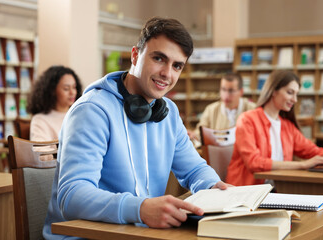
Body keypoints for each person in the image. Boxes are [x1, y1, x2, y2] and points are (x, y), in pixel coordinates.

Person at [43, 17, 229, 239]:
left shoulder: (167, 112)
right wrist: (141, 209)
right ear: (135, 55)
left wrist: (216, 187)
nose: (167, 74)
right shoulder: (92, 110)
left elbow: (194, 169)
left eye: (177, 66)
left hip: (137, 232)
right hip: (87, 235)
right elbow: (72, 197)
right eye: (159, 58)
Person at [225, 70, 323, 186]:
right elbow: (254, 163)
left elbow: (312, 150)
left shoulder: (287, 126)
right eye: (290, 92)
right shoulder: (247, 119)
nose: (295, 99)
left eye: (296, 94)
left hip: (277, 189)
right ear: (273, 91)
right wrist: (302, 165)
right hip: (246, 193)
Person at [188, 72, 255, 142]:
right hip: (218, 152)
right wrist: (193, 135)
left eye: (231, 91)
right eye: (223, 89)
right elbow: (200, 132)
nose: (226, 95)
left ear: (241, 92)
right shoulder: (211, 109)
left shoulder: (253, 109)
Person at [28, 65, 82, 141]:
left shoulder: (80, 115)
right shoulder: (40, 120)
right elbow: (41, 151)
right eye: (66, 89)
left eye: (74, 87)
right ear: (52, 91)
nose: (72, 92)